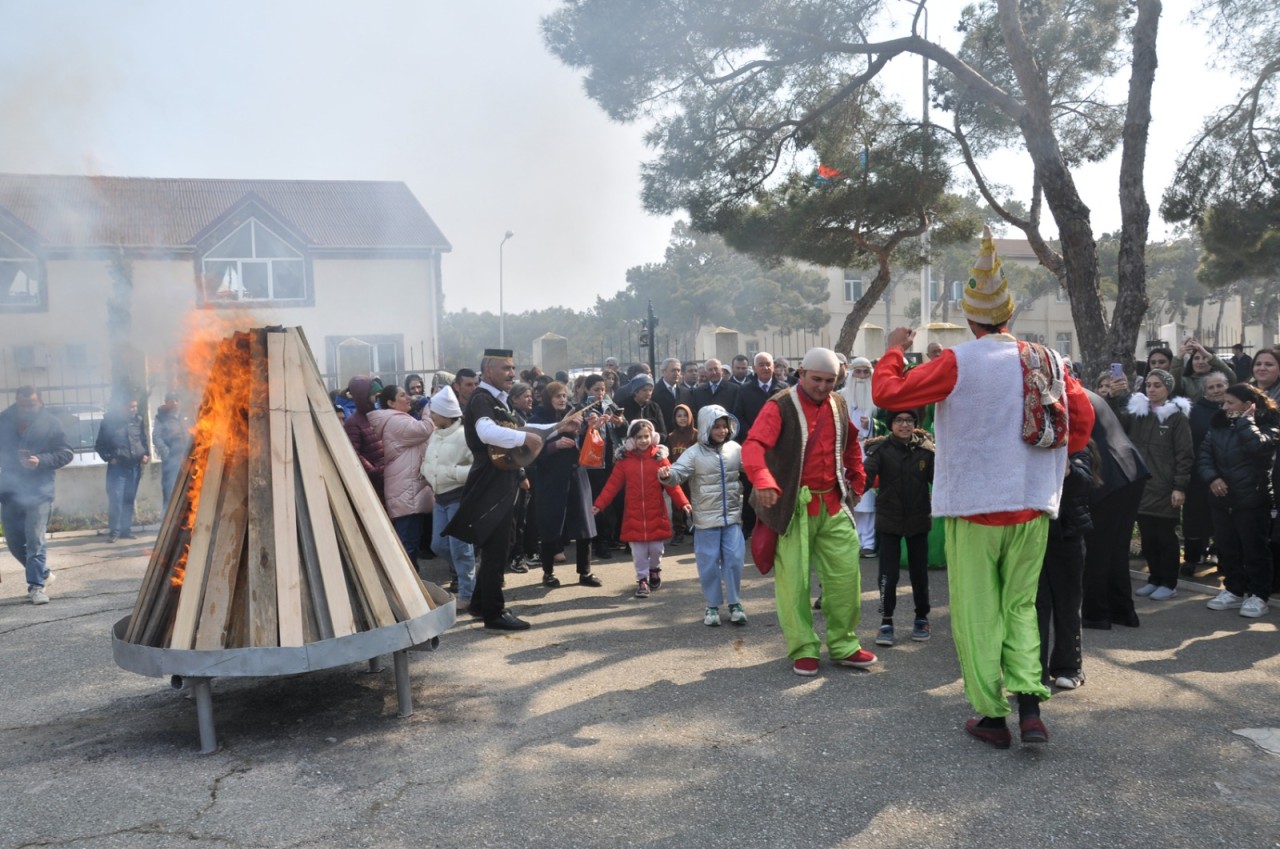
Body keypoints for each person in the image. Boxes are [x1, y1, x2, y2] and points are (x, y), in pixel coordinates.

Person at [872, 227, 1093, 747]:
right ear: (1009, 316)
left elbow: (888, 394)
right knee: (1021, 607)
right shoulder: (1050, 360)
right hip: (1032, 506)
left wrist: (893, 351)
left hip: (974, 508)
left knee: (978, 614)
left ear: (970, 320)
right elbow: (1079, 428)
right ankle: (1032, 708)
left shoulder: (957, 361)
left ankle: (992, 717)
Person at [743, 347, 876, 677]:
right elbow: (753, 445)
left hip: (832, 503)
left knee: (846, 578)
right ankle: (803, 647)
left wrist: (858, 480)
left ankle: (844, 643)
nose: (823, 387)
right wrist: (762, 478)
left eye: (831, 381)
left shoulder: (839, 403)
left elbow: (851, 446)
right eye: (817, 379)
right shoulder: (779, 405)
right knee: (794, 584)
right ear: (801, 373)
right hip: (793, 508)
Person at [444, 349, 565, 631]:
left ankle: (478, 602)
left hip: (504, 482)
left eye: (513, 368)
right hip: (490, 484)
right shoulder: (482, 399)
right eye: (505, 369)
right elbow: (487, 432)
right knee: (497, 548)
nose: (512, 373)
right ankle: (494, 613)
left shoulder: (499, 402)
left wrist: (561, 426)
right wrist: (527, 437)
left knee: (503, 544)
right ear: (488, 371)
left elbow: (529, 428)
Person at [1111, 368, 1194, 600]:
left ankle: (1169, 582)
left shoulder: (1176, 417)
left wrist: (1179, 486)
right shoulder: (1139, 412)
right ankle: (1154, 578)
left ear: (1168, 388)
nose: (1152, 389)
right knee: (1148, 538)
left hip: (1165, 487)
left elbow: (1184, 454)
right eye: (1149, 384)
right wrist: (1114, 397)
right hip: (1141, 485)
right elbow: (1116, 424)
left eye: (1158, 385)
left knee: (1165, 538)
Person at [1199, 383, 1279, 618]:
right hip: (1222, 499)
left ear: (1248, 405)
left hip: (1252, 498)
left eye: (1230, 403)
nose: (1224, 407)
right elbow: (1204, 455)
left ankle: (1258, 595)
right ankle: (1234, 589)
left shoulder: (1270, 423)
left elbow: (1259, 447)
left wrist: (1246, 422)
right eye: (1223, 402)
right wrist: (1212, 478)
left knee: (1254, 549)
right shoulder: (1218, 424)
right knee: (1227, 547)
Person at [661, 404, 746, 626]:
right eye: (716, 427)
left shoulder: (735, 449)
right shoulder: (694, 453)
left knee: (735, 559)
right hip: (706, 521)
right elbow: (678, 473)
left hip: (732, 518)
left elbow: (754, 467)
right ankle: (712, 605)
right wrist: (667, 475)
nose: (722, 431)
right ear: (706, 427)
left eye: (724, 426)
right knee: (708, 562)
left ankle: (735, 602)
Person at [592, 419, 690, 597]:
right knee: (638, 552)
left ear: (652, 437)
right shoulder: (624, 462)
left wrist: (683, 502)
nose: (643, 440)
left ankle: (655, 570)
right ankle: (642, 580)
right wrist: (599, 504)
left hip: (656, 512)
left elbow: (672, 485)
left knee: (656, 549)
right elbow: (612, 485)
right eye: (639, 437)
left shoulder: (660, 459)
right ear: (631, 440)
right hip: (633, 514)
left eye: (646, 436)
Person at [862, 409, 934, 647]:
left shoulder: (927, 450)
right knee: (887, 575)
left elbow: (941, 480)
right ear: (891, 424)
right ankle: (886, 620)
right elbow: (865, 476)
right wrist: (849, 492)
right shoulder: (880, 450)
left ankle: (922, 617)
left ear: (915, 423)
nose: (904, 425)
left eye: (909, 420)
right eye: (899, 420)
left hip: (918, 518)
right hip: (889, 519)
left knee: (919, 573)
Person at [1081, 388, 1150, 630]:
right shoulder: (1086, 393)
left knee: (1099, 548)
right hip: (1130, 469)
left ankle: (1096, 614)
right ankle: (1122, 611)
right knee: (1116, 548)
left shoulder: (1070, 395)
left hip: (1109, 475)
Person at [0, 386, 73, 604]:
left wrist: (40, 461)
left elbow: (66, 452)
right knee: (13, 542)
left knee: (35, 541)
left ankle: (36, 587)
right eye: (22, 405)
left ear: (39, 402)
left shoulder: (51, 423)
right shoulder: (4, 420)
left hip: (39, 491)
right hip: (10, 491)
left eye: (30, 405)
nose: (26, 409)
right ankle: (42, 573)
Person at [528, 381, 603, 589]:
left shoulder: (575, 413)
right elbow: (529, 452)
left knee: (584, 523)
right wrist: (554, 445)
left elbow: (588, 445)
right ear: (548, 398)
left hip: (576, 473)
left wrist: (590, 428)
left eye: (564, 395)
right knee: (551, 525)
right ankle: (548, 572)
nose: (562, 399)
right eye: (557, 396)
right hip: (551, 479)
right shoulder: (537, 418)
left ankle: (585, 571)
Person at [1036, 444, 1096, 691]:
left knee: (1068, 603)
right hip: (1031, 537)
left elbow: (1085, 482)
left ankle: (1069, 666)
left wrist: (1070, 470)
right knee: (1034, 607)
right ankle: (1033, 672)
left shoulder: (1077, 445)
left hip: (1067, 535)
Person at [421, 387, 476, 610]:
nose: (430, 415)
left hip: (458, 498)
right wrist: (426, 470)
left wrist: (453, 473)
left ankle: (467, 593)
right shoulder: (435, 434)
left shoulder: (464, 436)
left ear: (445, 413)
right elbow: (431, 459)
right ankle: (467, 575)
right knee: (439, 545)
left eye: (434, 412)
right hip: (440, 498)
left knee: (461, 548)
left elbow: (477, 467)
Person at [369, 384, 434, 568]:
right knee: (408, 543)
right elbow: (424, 429)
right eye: (403, 395)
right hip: (406, 489)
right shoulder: (395, 421)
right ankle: (409, 588)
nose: (408, 398)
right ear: (390, 402)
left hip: (409, 487)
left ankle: (414, 584)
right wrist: (428, 407)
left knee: (411, 540)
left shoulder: (398, 418)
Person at [1182, 371, 1229, 576]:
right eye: (1211, 387)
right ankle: (1192, 558)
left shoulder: (1234, 407)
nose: (1217, 390)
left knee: (1222, 520)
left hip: (1227, 474)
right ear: (1204, 391)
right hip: (1198, 474)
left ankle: (1221, 556)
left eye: (1220, 386)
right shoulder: (1194, 410)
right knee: (1195, 519)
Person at [95, 396, 150, 542]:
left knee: (129, 499)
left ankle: (126, 530)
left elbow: (143, 440)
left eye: (135, 407)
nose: (133, 410)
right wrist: (109, 457)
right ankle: (115, 532)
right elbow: (99, 445)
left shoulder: (138, 420)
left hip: (134, 467)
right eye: (130, 407)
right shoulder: (109, 423)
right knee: (116, 499)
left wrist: (145, 454)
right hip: (117, 468)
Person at [840, 356, 879, 557]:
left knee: (868, 500)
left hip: (870, 453)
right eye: (858, 372)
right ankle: (851, 541)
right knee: (848, 497)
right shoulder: (840, 397)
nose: (862, 376)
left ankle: (869, 543)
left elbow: (889, 424)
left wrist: (871, 425)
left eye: (866, 372)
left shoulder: (878, 397)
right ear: (851, 373)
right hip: (846, 453)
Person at [342, 376, 385, 498]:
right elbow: (353, 454)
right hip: (375, 482)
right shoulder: (353, 423)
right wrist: (375, 471)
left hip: (389, 479)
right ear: (364, 396)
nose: (378, 399)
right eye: (376, 396)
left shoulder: (381, 416)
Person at [151, 391, 191, 508]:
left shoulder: (185, 415)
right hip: (171, 458)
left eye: (176, 400)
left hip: (187, 456)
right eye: (171, 401)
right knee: (170, 488)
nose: (174, 403)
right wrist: (166, 453)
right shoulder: (161, 418)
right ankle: (167, 517)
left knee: (189, 488)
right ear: (166, 402)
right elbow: (156, 437)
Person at [666, 403, 698, 545]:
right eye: (679, 416)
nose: (683, 419)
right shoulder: (671, 436)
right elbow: (668, 456)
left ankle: (697, 529)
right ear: (675, 418)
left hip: (693, 475)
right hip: (677, 475)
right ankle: (678, 531)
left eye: (685, 415)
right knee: (677, 504)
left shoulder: (696, 435)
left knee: (694, 502)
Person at [1171, 337, 1235, 402]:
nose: (1200, 362)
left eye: (1205, 358)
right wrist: (1179, 357)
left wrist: (1205, 352)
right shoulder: (1185, 382)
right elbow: (1173, 385)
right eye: (1196, 358)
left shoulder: (1220, 379)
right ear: (1191, 362)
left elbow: (1231, 377)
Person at [621, 374, 667, 442]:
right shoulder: (624, 406)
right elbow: (621, 433)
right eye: (645, 390)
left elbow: (663, 433)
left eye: (650, 390)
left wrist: (650, 439)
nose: (648, 393)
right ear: (636, 392)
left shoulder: (654, 407)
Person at [654, 358, 688, 432]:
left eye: (678, 370)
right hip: (664, 435)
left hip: (683, 434)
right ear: (663, 372)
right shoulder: (654, 392)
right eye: (673, 370)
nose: (676, 373)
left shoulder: (685, 392)